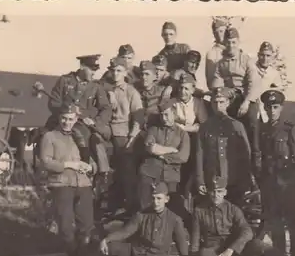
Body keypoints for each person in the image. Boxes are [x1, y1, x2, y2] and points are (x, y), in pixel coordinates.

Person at [54, 182, 190, 256]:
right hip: (135, 251)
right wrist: (107, 240)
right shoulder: (143, 214)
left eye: (159, 199)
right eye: (153, 198)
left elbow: (182, 245)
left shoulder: (174, 220)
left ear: (166, 199)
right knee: (110, 247)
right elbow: (126, 231)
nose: (155, 202)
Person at [189, 176, 295, 256]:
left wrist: (231, 249)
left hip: (236, 251)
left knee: (258, 244)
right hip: (215, 254)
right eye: (213, 191)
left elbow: (247, 231)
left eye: (219, 191)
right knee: (203, 254)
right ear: (208, 192)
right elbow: (195, 238)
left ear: (225, 192)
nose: (216, 195)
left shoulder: (233, 209)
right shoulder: (199, 211)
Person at [254, 90, 295, 256]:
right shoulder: (262, 129)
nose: (271, 111)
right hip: (269, 183)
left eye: (275, 107)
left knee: (292, 221)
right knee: (274, 221)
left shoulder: (290, 129)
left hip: (288, 183)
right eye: (268, 107)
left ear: (281, 108)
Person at [40, 103, 98, 256]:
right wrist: (69, 165)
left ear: (76, 119)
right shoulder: (50, 137)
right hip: (62, 184)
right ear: (59, 118)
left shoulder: (81, 135)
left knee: (87, 226)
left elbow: (90, 159)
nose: (67, 122)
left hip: (83, 184)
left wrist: (90, 167)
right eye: (64, 118)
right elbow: (46, 162)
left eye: (71, 119)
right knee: (65, 227)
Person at [43, 54, 113, 177]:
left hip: (82, 123)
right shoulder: (64, 81)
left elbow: (106, 108)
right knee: (45, 136)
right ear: (82, 67)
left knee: (84, 138)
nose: (93, 73)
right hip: (61, 119)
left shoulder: (95, 87)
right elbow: (53, 103)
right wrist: (67, 110)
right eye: (91, 69)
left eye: (95, 70)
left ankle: (88, 168)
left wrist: (95, 121)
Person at [210, 28, 260, 169]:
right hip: (230, 97)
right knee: (224, 124)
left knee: (251, 122)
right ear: (225, 43)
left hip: (246, 96)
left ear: (238, 42)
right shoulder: (221, 63)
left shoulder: (246, 60)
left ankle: (255, 162)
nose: (231, 45)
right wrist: (219, 91)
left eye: (233, 42)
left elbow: (253, 83)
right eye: (228, 42)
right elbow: (217, 81)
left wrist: (247, 102)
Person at [196, 87, 252, 207]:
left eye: (221, 102)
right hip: (212, 179)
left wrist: (245, 180)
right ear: (211, 104)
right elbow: (199, 155)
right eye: (215, 102)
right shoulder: (205, 127)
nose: (218, 106)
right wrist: (200, 180)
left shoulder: (237, 126)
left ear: (228, 103)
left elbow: (246, 154)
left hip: (233, 179)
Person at [101, 56, 144, 213]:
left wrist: (131, 139)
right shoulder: (104, 89)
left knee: (126, 172)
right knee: (105, 171)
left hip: (123, 135)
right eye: (112, 70)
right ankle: (108, 205)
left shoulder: (131, 92)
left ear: (125, 72)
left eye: (119, 71)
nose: (115, 74)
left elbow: (138, 118)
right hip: (105, 132)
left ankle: (130, 207)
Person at [138, 97, 190, 212]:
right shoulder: (153, 129)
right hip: (150, 172)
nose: (164, 118)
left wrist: (162, 155)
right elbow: (151, 148)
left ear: (174, 113)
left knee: (173, 207)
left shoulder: (182, 134)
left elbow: (183, 157)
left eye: (166, 115)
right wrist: (171, 149)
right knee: (145, 206)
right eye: (161, 115)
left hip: (171, 175)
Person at [170, 73, 209, 215]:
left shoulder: (198, 103)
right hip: (177, 140)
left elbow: (203, 125)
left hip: (194, 140)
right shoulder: (173, 102)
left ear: (193, 90)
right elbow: (169, 122)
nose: (183, 92)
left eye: (187, 88)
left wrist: (185, 128)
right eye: (181, 88)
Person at [135, 60, 166, 129]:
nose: (143, 77)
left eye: (147, 74)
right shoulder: (134, 90)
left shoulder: (162, 91)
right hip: (138, 127)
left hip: (155, 128)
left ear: (155, 76)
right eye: (142, 74)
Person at [205, 18, 229, 91]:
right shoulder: (212, 53)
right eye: (216, 33)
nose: (219, 35)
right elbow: (211, 80)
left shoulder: (235, 50)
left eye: (221, 31)